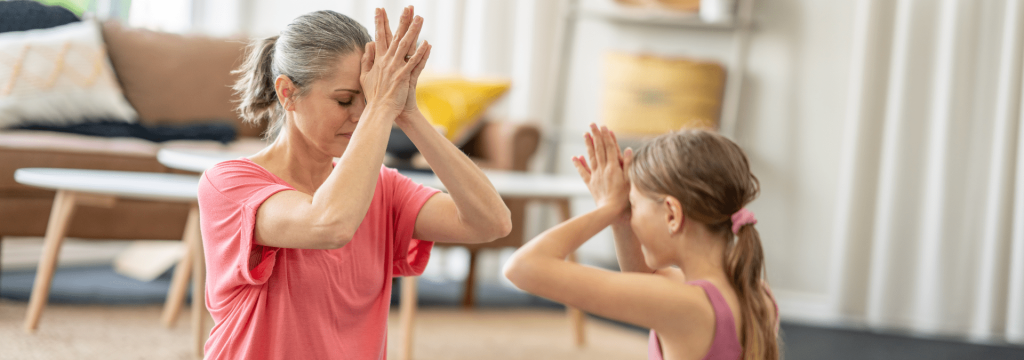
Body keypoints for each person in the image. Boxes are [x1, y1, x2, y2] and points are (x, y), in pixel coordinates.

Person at [197, 7, 511, 359]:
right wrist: (380, 108)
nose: (361, 115)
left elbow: (491, 222)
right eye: (345, 99)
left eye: (368, 99)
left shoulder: (381, 187)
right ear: (287, 93)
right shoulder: (230, 185)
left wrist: (408, 114)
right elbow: (329, 224)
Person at [504, 124, 781, 360]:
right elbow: (644, 278)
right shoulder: (755, 292)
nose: (630, 216)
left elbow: (523, 266)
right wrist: (621, 222)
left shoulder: (687, 305)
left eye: (633, 206)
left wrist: (607, 209)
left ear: (672, 214)